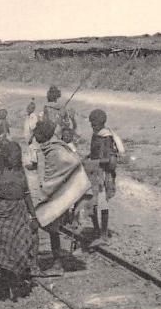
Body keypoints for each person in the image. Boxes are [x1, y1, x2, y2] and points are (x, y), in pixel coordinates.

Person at [0, 140, 39, 301]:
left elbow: (27, 194)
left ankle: (15, 280)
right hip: (2, 213)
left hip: (20, 213)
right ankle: (5, 279)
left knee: (21, 245)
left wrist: (34, 216)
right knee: (4, 249)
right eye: (14, 157)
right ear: (6, 156)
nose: (17, 159)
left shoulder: (20, 171)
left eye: (19, 157)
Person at [29, 119, 91, 273]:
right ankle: (54, 263)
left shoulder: (56, 150)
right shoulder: (49, 147)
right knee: (52, 230)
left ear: (43, 135)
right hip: (53, 194)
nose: (35, 136)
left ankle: (42, 264)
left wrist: (47, 188)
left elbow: (71, 163)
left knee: (36, 224)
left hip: (56, 196)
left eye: (37, 133)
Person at [85, 109, 121, 241]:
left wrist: (91, 162)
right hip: (94, 171)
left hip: (101, 174)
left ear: (101, 123)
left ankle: (103, 233)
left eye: (94, 124)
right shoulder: (96, 134)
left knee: (102, 203)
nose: (92, 126)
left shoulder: (106, 137)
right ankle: (96, 229)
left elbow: (107, 159)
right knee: (91, 201)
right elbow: (94, 152)